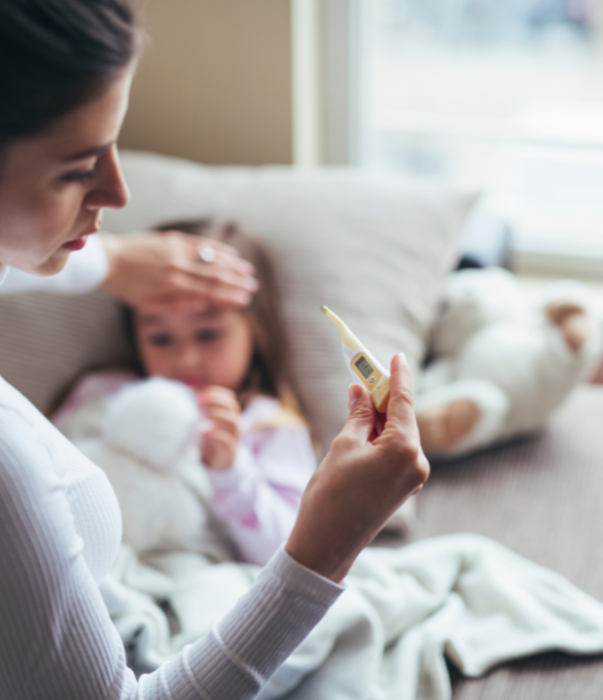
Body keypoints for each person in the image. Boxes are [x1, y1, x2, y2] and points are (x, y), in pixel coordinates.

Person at [0, 1, 429, 699]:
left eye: (117, 143)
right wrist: (324, 550)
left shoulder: (263, 421)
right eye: (77, 169)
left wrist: (113, 263)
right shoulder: (11, 463)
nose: (119, 190)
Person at [54, 218, 318, 566]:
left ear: (256, 332)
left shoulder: (266, 424)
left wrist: (231, 473)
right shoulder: (103, 393)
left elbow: (294, 554)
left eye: (208, 334)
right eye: (161, 338)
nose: (185, 359)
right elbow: (41, 473)